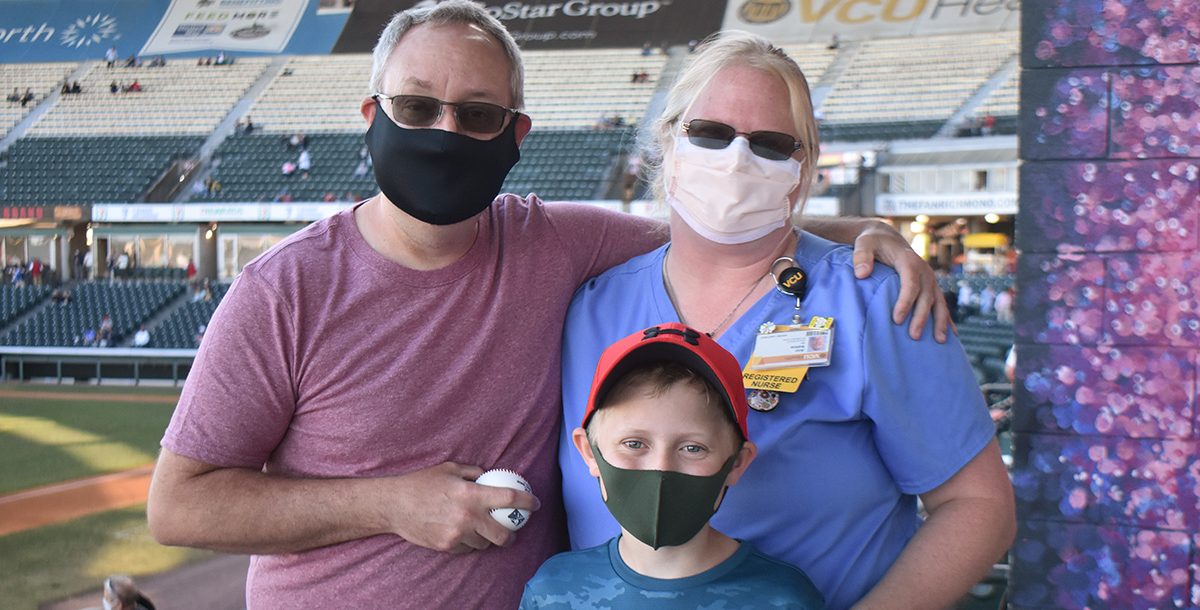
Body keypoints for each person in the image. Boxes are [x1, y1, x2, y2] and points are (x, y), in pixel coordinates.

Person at [146, 4, 949, 608]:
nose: (444, 131)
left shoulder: (552, 242)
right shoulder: (284, 290)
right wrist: (391, 504)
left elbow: (717, 221)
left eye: (478, 114)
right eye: (417, 107)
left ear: (516, 133)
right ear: (372, 116)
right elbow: (178, 505)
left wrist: (867, 231)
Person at [559, 32, 1014, 610]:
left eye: (772, 144)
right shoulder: (590, 307)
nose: (737, 159)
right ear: (667, 141)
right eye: (711, 133)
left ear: (804, 169)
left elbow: (978, 507)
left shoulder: (876, 303)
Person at [521, 323, 823, 609]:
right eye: (634, 444)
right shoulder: (554, 591)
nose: (661, 468)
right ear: (589, 452)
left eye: (692, 448)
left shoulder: (782, 599)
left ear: (737, 463)